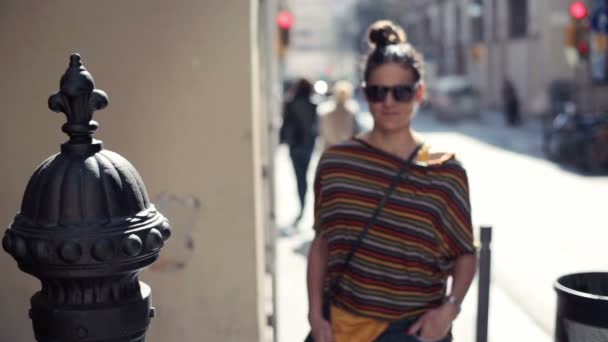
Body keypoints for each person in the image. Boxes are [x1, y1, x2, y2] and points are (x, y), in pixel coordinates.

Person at [306, 20, 477, 342]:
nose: (389, 102)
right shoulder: (336, 163)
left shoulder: (446, 173)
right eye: (378, 91)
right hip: (341, 329)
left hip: (413, 332)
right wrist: (315, 316)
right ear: (364, 93)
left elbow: (465, 253)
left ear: (419, 93)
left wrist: (449, 309)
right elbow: (322, 244)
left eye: (401, 92)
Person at [280, 78, 318, 225]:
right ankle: (304, 207)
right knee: (305, 177)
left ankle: (302, 207)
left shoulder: (290, 104)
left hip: (295, 145)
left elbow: (286, 124)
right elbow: (314, 127)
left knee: (299, 178)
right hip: (307, 145)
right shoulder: (313, 105)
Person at [319, 80, 360, 149]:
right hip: (344, 147)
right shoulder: (351, 111)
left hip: (331, 148)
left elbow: (322, 132)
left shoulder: (325, 110)